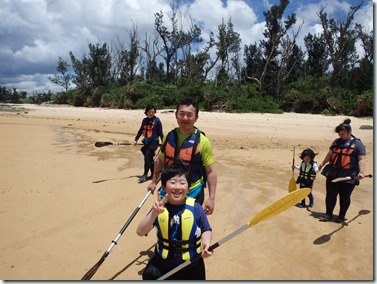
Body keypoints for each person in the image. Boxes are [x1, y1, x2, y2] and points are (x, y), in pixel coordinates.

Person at [136, 160, 213, 280]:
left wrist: (206, 244)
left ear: (188, 188)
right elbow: (140, 232)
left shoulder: (196, 208)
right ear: (163, 187)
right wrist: (154, 214)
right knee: (148, 276)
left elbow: (206, 229)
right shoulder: (159, 208)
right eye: (172, 182)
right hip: (163, 264)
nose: (177, 187)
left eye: (182, 183)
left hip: (191, 264)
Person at [147, 97, 217, 215]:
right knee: (163, 226)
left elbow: (211, 172)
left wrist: (211, 198)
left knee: (190, 229)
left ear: (196, 117)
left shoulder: (203, 142)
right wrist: (154, 181)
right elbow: (160, 161)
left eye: (189, 115)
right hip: (170, 190)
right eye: (181, 114)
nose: (185, 118)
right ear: (176, 115)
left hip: (193, 191)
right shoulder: (169, 136)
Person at [318, 118, 366, 223]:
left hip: (348, 175)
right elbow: (330, 154)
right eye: (339, 134)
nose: (341, 136)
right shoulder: (336, 142)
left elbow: (361, 159)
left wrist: (361, 172)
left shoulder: (358, 144)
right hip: (333, 173)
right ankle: (328, 214)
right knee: (330, 194)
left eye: (343, 134)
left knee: (344, 197)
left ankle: (341, 216)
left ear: (349, 132)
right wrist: (322, 164)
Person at [133, 105, 164, 183]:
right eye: (149, 111)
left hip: (154, 142)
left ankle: (145, 175)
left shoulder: (157, 120)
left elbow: (160, 132)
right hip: (147, 141)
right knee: (147, 155)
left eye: (152, 111)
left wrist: (164, 142)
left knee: (147, 157)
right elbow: (141, 130)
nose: (151, 113)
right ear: (146, 112)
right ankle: (154, 174)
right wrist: (136, 139)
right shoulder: (145, 120)